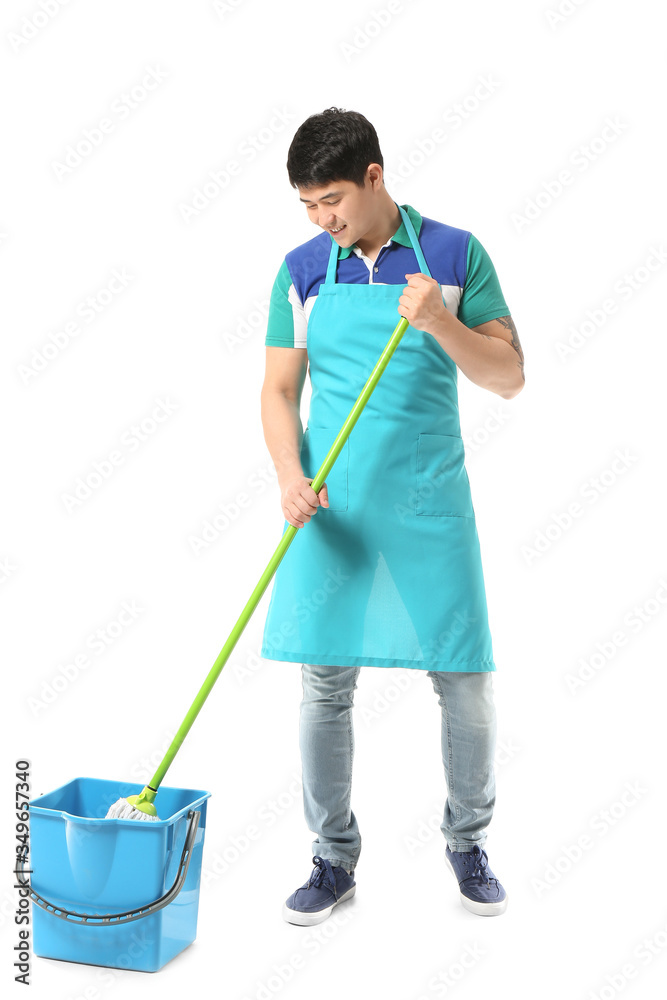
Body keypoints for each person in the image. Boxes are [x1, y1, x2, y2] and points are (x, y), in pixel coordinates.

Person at [259, 107, 524, 924]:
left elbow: (508, 376)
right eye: (306, 205)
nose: (321, 219)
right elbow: (277, 391)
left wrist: (440, 320)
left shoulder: (452, 254)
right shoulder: (302, 269)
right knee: (323, 687)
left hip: (428, 509)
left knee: (465, 685)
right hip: (332, 512)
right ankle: (331, 856)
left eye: (331, 199)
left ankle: (466, 841)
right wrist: (287, 475)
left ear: (374, 176)